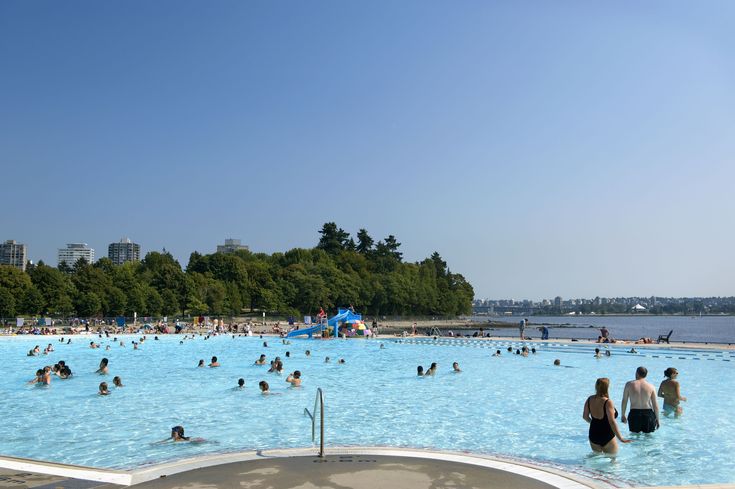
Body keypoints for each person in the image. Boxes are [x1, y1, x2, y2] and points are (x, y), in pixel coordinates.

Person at [583, 378, 630, 454]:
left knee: (596, 459)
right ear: (606, 387)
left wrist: (594, 424)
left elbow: (585, 416)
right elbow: (612, 421)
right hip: (607, 435)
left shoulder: (589, 399)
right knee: (613, 460)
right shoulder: (607, 402)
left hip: (593, 434)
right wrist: (620, 438)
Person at [621, 366, 660, 433]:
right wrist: (658, 419)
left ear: (636, 373)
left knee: (634, 437)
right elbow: (655, 405)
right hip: (648, 414)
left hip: (634, 413)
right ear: (646, 375)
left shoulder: (629, 384)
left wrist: (623, 414)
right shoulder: (651, 386)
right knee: (648, 438)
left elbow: (624, 400)